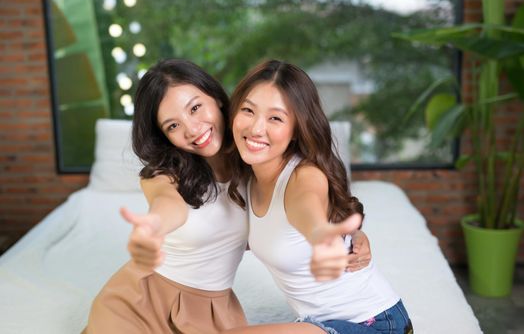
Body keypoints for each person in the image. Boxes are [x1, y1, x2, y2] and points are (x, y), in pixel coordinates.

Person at [84, 59, 372, 334]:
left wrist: (351, 235)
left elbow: (304, 198)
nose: (192, 129)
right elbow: (168, 206)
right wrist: (152, 227)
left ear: (217, 98)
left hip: (211, 310)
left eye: (195, 108)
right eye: (173, 125)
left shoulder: (256, 161)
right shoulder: (165, 175)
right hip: (138, 303)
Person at [224, 60, 413, 334]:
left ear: (296, 129)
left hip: (377, 323)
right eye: (248, 110)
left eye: (275, 118)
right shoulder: (248, 180)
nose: (255, 128)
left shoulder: (304, 175)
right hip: (318, 325)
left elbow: (308, 207)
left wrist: (321, 235)